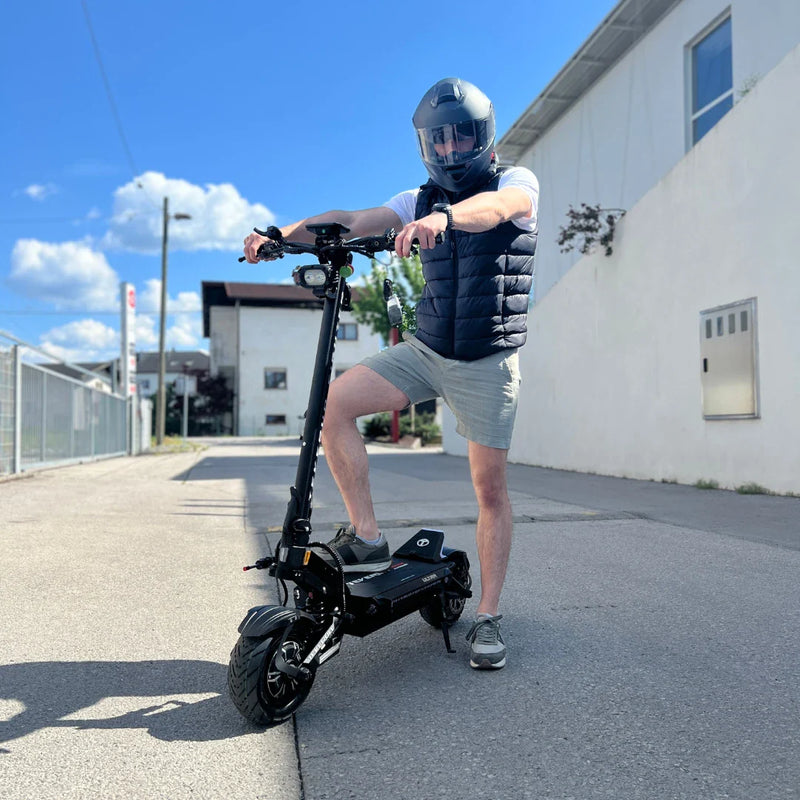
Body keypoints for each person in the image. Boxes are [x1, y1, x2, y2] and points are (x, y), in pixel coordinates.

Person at [243, 77, 539, 670]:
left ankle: (488, 615)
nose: (450, 150)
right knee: (332, 405)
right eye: (439, 140)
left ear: (483, 137)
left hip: (487, 357)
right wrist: (280, 235)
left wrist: (446, 220)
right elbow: (350, 219)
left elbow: (496, 211)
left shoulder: (516, 183)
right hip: (426, 348)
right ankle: (369, 536)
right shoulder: (414, 199)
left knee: (489, 490)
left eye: (461, 138)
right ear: (426, 145)